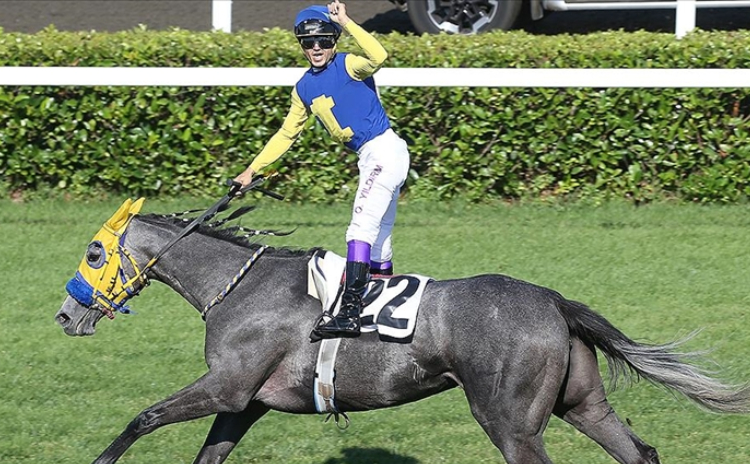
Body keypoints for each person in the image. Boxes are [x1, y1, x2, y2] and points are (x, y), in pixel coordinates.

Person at [233, 0, 410, 340]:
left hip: (383, 152)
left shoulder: (349, 65)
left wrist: (346, 22)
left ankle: (350, 313)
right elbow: (287, 133)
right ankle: (379, 308)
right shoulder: (303, 88)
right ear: (301, 44)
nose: (316, 48)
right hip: (374, 157)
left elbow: (379, 55)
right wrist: (251, 170)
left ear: (334, 40)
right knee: (379, 241)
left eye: (324, 40)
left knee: (359, 231)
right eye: (308, 42)